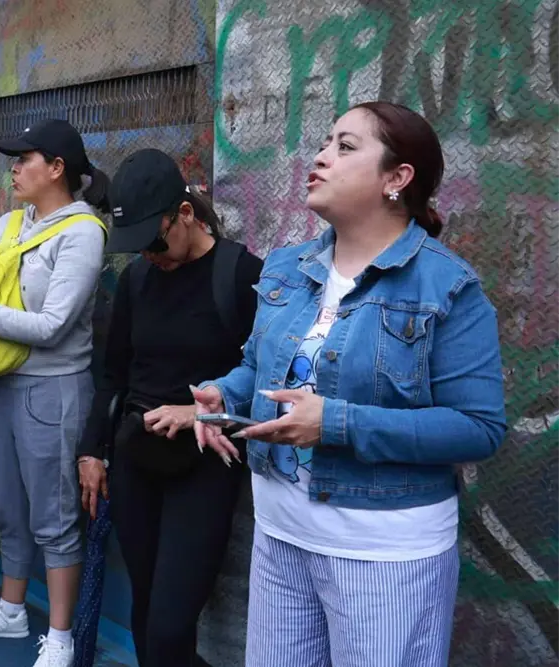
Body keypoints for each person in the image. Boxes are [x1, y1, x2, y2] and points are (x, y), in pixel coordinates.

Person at [191, 102, 507, 667]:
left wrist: (336, 423)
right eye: (324, 142)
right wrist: (227, 393)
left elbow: (477, 428)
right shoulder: (286, 268)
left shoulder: (448, 286)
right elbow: (261, 369)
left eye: (345, 146)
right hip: (280, 536)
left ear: (397, 178)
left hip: (385, 552)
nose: (319, 157)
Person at [75, 149, 261, 666]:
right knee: (146, 613)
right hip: (138, 462)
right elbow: (113, 372)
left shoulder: (241, 275)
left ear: (185, 214)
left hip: (205, 467)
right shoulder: (137, 280)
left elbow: (269, 375)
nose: (149, 254)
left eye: (154, 240)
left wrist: (199, 411)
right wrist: (92, 450)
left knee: (170, 626)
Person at [0, 119, 109, 667]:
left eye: (23, 158)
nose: (12, 168)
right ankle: (12, 608)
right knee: (7, 503)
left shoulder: (83, 232)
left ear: (57, 168)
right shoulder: (11, 222)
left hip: (53, 391)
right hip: (2, 382)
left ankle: (61, 634)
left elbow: (54, 325)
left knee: (54, 515)